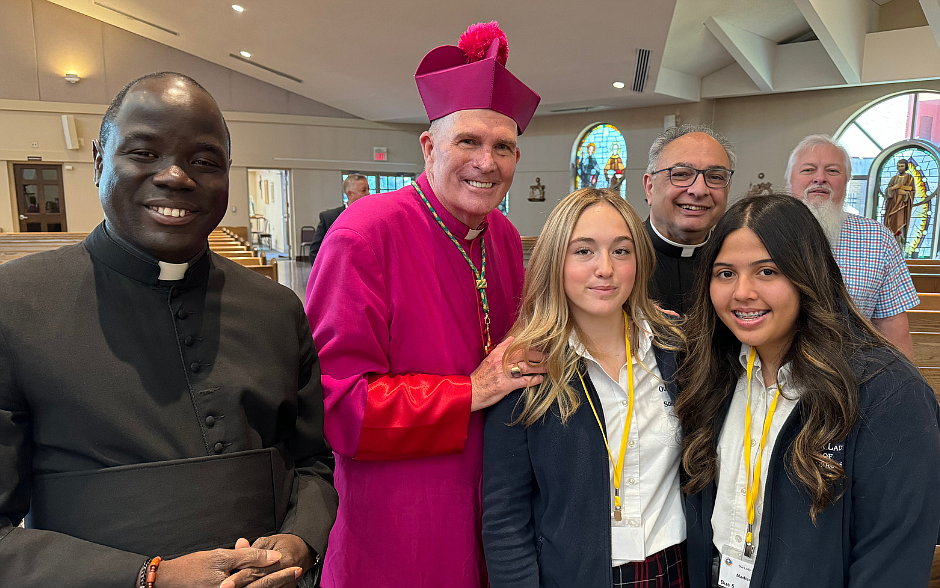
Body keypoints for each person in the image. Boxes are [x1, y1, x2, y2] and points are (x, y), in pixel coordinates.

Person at [0, 72, 337, 588]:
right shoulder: (14, 304)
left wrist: (300, 542)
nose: (177, 177)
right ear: (98, 161)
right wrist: (148, 577)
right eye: (144, 153)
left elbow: (312, 461)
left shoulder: (275, 307)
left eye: (204, 162)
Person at [305, 22, 543, 588]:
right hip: (398, 519)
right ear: (429, 146)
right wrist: (472, 391)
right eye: (468, 141)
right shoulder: (364, 234)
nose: (487, 162)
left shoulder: (504, 236)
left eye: (503, 147)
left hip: (495, 508)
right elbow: (337, 407)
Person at [675, 194, 940, 588]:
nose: (742, 292)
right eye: (725, 273)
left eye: (767, 272)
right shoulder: (712, 374)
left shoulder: (886, 391)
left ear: (807, 274)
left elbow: (893, 556)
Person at [482, 188, 687, 588]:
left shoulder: (675, 350)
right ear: (555, 262)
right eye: (583, 251)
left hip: (674, 568)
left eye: (621, 251)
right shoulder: (525, 370)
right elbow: (505, 517)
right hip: (576, 575)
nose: (605, 269)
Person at [786, 135, 918, 358]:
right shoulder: (761, 231)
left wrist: (904, 388)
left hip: (853, 374)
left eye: (833, 171)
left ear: (846, 182)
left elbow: (892, 325)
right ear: (789, 180)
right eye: (808, 170)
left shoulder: (878, 239)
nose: (820, 178)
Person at [642, 124, 735, 314]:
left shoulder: (738, 261)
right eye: (681, 174)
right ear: (650, 187)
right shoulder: (618, 260)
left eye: (715, 177)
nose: (699, 190)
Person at [308, 174, 370, 264]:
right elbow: (315, 252)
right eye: (363, 190)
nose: (368, 193)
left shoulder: (372, 217)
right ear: (349, 194)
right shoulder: (329, 218)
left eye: (368, 189)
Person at [884, 158, 916, 246]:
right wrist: (894, 188)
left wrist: (904, 192)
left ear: (905, 167)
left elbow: (912, 191)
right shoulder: (894, 178)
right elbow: (887, 191)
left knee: (900, 225)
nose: (900, 168)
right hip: (891, 205)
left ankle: (900, 244)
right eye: (898, 166)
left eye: (902, 166)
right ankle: (890, 243)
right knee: (890, 223)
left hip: (902, 206)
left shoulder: (909, 178)